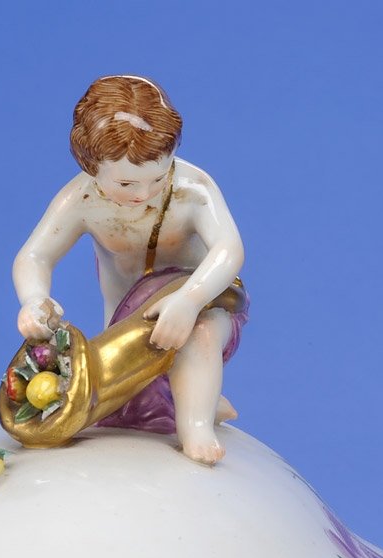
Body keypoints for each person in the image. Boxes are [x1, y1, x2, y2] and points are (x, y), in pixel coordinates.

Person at [13, 75, 247, 465]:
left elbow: (229, 248)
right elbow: (34, 256)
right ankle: (176, 398)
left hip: (204, 301)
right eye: (125, 183)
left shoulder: (193, 190)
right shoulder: (81, 200)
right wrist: (34, 299)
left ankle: (195, 424)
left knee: (201, 335)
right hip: (126, 330)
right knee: (108, 395)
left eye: (158, 178)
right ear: (91, 167)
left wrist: (188, 300)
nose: (143, 194)